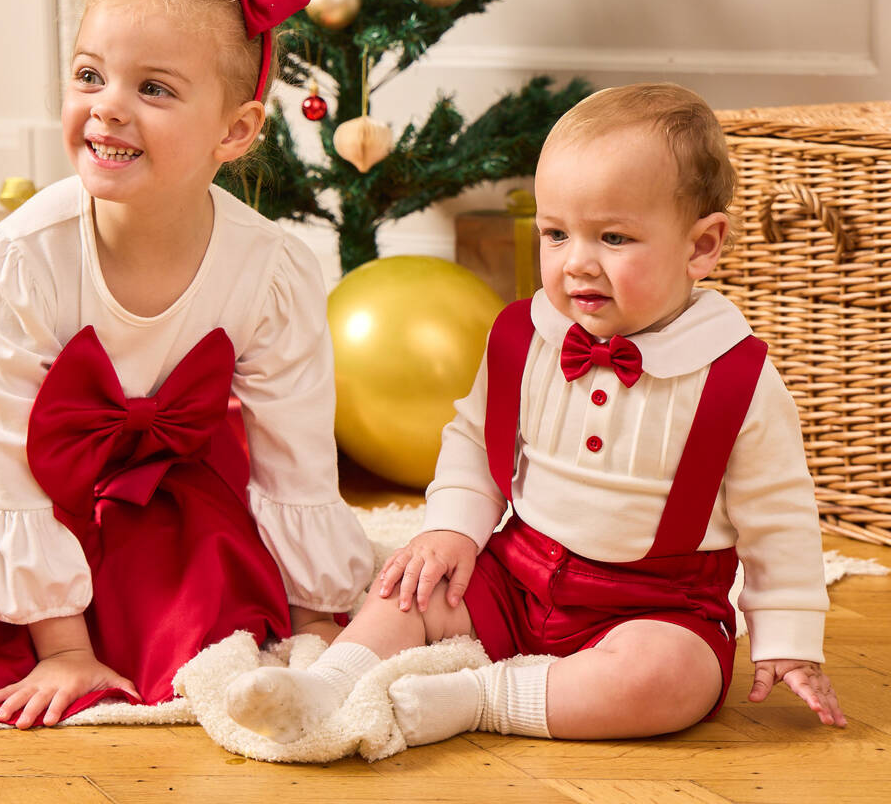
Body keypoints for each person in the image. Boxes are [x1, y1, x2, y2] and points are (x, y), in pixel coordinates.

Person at [225, 82, 845, 747]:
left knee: (674, 679)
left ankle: (476, 699)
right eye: (556, 233)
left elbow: (780, 515)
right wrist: (453, 531)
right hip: (516, 572)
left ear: (700, 247)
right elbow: (472, 441)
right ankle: (329, 681)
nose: (577, 261)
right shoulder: (526, 336)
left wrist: (787, 635)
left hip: (654, 605)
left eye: (612, 236)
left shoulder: (737, 377)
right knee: (411, 584)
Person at [0, 0, 372, 730]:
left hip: (153, 457)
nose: (108, 108)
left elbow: (296, 458)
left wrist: (319, 618)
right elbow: (11, 465)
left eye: (152, 89)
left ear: (235, 129)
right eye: (90, 76)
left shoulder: (272, 273)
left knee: (206, 612)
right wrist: (63, 648)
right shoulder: (18, 259)